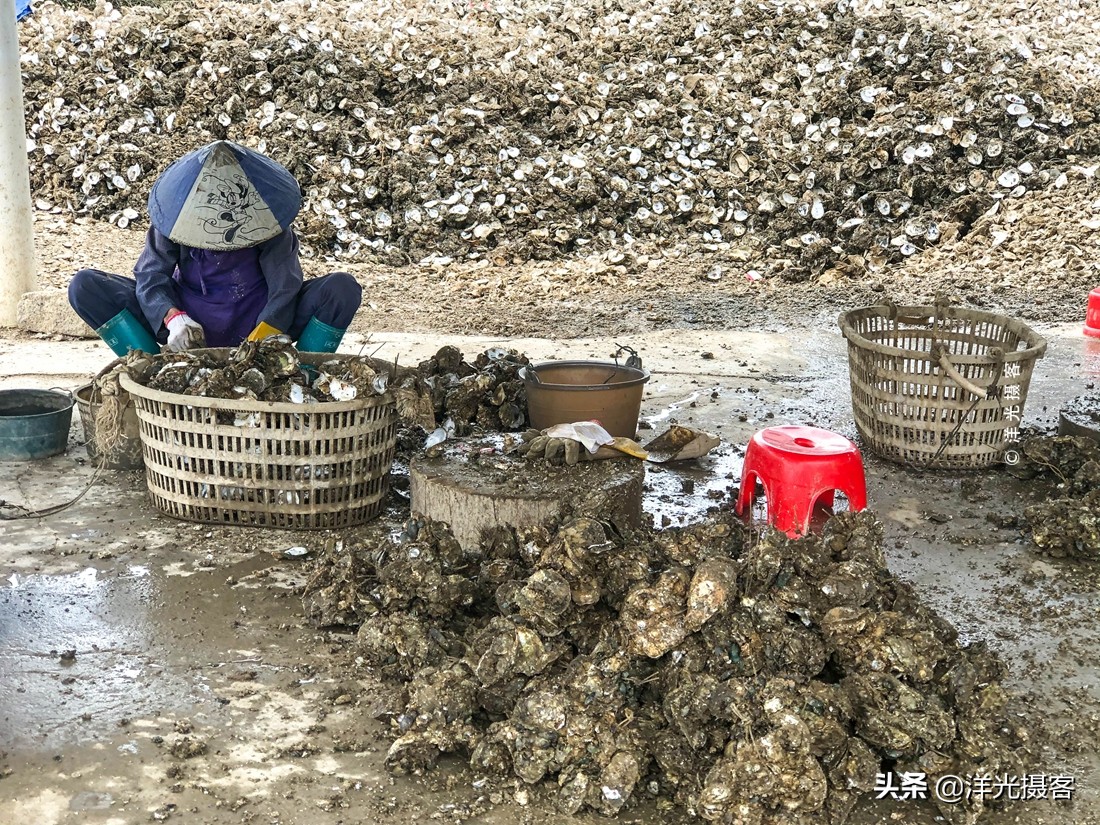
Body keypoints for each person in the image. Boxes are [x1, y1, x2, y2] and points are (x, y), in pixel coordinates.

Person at [68, 140, 362, 356]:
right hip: (190, 321)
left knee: (341, 289)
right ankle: (148, 367)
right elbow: (151, 276)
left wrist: (262, 337)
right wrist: (173, 318)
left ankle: (306, 373)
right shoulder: (173, 219)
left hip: (262, 320)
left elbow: (286, 285)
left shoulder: (267, 220)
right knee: (85, 287)